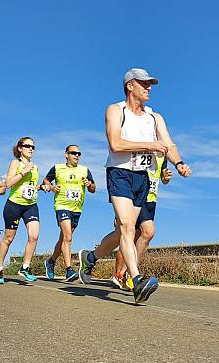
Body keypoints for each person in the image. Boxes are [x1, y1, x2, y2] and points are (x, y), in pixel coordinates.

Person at [78, 67, 191, 304]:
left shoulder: (155, 117)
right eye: (144, 83)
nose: (149, 88)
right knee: (128, 227)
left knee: (125, 231)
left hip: (142, 177)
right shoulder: (115, 110)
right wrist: (150, 146)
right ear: (130, 86)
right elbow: (115, 144)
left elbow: (168, 144)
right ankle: (136, 280)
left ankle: (90, 258)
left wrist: (179, 163)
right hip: (119, 173)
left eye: (150, 84)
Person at [0, 137, 51, 285]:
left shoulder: (35, 167)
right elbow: (8, 183)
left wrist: (42, 187)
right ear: (20, 148)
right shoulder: (16, 163)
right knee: (9, 238)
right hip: (14, 205)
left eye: (33, 147)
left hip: (31, 205)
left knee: (34, 236)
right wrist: (24, 171)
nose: (31, 149)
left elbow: (31, 186)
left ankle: (25, 267)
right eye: (27, 146)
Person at [112, 161, 173, 290]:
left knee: (136, 236)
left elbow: (163, 177)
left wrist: (166, 177)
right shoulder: (141, 143)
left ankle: (122, 273)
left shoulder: (163, 153)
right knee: (146, 231)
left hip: (151, 199)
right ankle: (128, 274)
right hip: (137, 196)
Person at [42, 145, 96, 281]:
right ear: (66, 154)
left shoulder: (85, 170)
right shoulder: (57, 168)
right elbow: (46, 180)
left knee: (64, 239)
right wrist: (52, 187)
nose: (76, 155)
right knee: (68, 237)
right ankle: (69, 270)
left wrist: (89, 184)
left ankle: (51, 261)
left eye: (79, 153)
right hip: (61, 206)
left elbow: (93, 189)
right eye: (73, 153)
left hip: (77, 209)